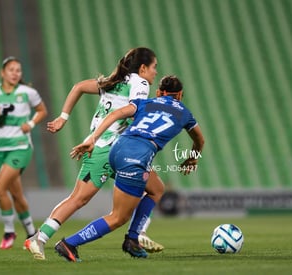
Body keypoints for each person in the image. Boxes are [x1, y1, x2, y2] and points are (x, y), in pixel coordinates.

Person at [25, 47, 164, 260]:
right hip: (106, 149)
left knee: (154, 188)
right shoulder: (140, 83)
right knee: (79, 199)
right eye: (154, 67)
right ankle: (39, 238)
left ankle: (137, 236)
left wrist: (64, 117)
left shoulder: (114, 81)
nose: (156, 72)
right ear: (143, 68)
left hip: (112, 149)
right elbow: (135, 111)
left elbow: (79, 87)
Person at [54, 75, 204, 262]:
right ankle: (69, 244)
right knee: (118, 217)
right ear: (180, 95)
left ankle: (133, 239)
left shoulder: (145, 103)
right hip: (136, 156)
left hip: (118, 146)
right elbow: (199, 140)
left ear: (158, 93)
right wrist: (192, 158)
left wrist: (92, 138)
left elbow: (115, 114)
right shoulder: (185, 113)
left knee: (156, 188)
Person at [0, 56, 48, 249]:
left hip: (20, 147)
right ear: (2, 73)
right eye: (11, 70)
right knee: (17, 195)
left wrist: (31, 123)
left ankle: (9, 232)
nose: (15, 73)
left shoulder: (28, 92)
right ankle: (32, 234)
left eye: (18, 70)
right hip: (0, 149)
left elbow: (42, 111)